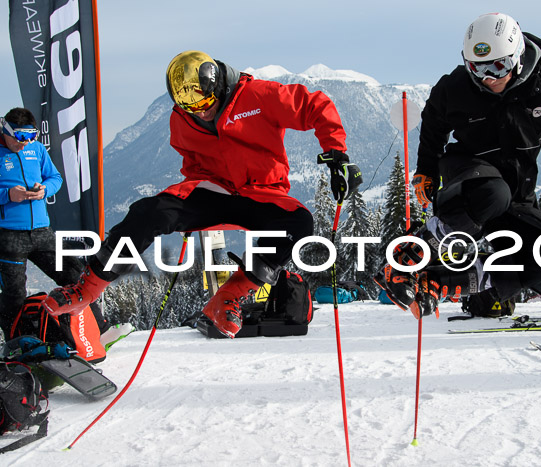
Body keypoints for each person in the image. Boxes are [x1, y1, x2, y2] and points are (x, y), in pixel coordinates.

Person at [42, 51, 360, 338]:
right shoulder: (181, 118)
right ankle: (86, 290)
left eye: (204, 104)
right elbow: (192, 160)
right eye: (189, 108)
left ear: (217, 86)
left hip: (261, 191)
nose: (200, 113)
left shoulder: (259, 95)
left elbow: (316, 105)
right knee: (147, 213)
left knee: (299, 222)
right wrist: (190, 206)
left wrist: (336, 155)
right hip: (213, 188)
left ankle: (228, 298)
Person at [374, 13, 541, 319]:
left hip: (518, 196)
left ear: (517, 57)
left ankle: (438, 283)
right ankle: (408, 255)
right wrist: (426, 171)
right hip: (468, 182)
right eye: (477, 68)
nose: (488, 77)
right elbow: (434, 122)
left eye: (497, 66)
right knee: (493, 191)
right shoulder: (457, 87)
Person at [0, 108, 123, 344]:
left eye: (30, 137)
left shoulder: (35, 150)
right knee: (14, 294)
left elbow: (55, 178)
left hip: (42, 232)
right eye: (19, 137)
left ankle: (100, 329)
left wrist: (45, 190)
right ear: (6, 130)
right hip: (9, 235)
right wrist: (7, 195)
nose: (24, 144)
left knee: (75, 274)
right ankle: (16, 343)